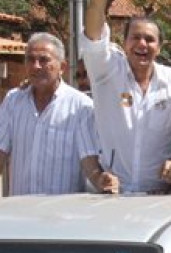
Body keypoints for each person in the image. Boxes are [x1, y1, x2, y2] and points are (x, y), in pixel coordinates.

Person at [82, 0, 171, 193]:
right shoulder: (106, 72)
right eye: (136, 38)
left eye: (149, 39)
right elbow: (93, 39)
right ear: (124, 42)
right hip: (111, 194)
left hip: (158, 197)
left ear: (159, 47)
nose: (142, 44)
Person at [0, 33, 116, 195]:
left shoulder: (81, 107)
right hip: (20, 212)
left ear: (62, 67)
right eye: (31, 60)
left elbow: (88, 160)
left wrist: (100, 180)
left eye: (44, 60)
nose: (36, 66)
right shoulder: (13, 101)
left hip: (60, 215)